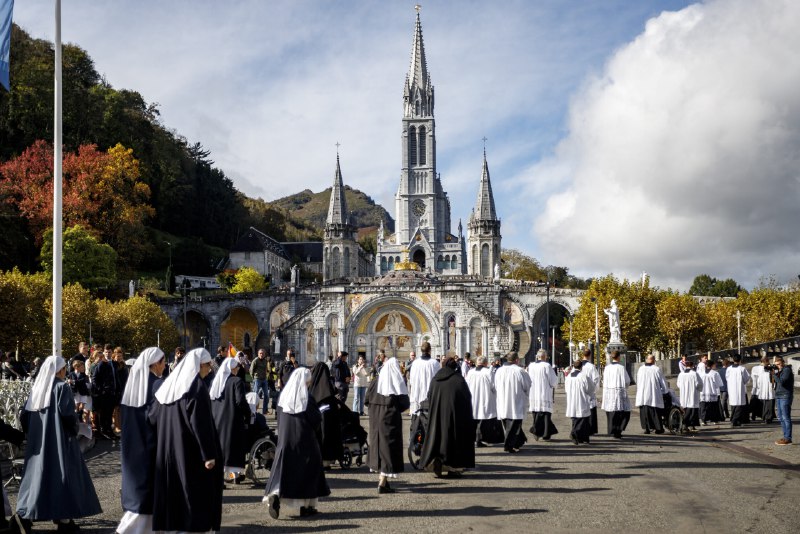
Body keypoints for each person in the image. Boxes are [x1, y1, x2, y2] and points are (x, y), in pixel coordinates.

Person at [11, 356, 102, 534]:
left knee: (38, 479)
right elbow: (68, 416)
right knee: (63, 478)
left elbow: (25, 417)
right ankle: (64, 519)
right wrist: (78, 427)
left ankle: (25, 516)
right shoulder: (62, 387)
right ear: (60, 370)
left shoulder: (37, 388)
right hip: (60, 441)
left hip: (38, 444)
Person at [148, 348, 222, 533]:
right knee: (191, 494)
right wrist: (209, 455)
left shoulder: (169, 384)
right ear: (199, 366)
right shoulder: (196, 386)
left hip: (167, 449)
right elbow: (201, 423)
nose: (209, 370)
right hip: (189, 450)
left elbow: (153, 417)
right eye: (208, 366)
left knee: (173, 492)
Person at [264, 368, 330, 519]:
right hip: (305, 440)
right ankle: (306, 506)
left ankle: (275, 494)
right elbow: (316, 420)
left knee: (285, 469)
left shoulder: (283, 396)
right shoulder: (307, 397)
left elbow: (279, 418)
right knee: (308, 471)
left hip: (286, 439)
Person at [116, 347, 165, 534]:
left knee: (138, 485)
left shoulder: (133, 384)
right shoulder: (157, 384)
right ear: (155, 364)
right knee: (148, 488)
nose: (164, 366)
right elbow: (157, 417)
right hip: (151, 442)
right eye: (162, 362)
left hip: (132, 442)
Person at [419, 357, 475, 477]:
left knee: (438, 439)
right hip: (453, 415)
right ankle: (452, 468)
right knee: (452, 441)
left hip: (437, 416)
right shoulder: (458, 379)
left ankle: (438, 460)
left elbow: (429, 396)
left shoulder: (435, 380)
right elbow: (466, 397)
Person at [366, 357, 410, 493]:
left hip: (375, 419)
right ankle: (382, 483)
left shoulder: (375, 382)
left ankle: (383, 479)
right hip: (390, 420)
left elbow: (366, 400)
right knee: (388, 449)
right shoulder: (396, 381)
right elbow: (405, 403)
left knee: (379, 447)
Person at [210, 358, 251, 483]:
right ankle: (235, 474)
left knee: (222, 446)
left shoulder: (216, 382)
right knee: (234, 447)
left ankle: (221, 475)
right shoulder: (236, 381)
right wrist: (248, 413)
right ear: (232, 368)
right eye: (237, 368)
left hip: (218, 418)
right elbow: (240, 401)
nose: (238, 370)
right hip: (232, 418)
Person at [308, 362, 344, 468]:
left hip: (317, 416)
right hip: (330, 414)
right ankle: (329, 459)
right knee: (330, 435)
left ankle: (320, 458)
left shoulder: (313, 385)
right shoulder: (328, 385)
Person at [494, 352, 531, 453]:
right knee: (514, 425)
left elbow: (495, 385)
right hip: (516, 400)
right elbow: (527, 386)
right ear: (517, 360)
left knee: (509, 424)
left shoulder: (499, 371)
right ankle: (508, 445)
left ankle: (519, 441)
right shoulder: (520, 371)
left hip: (503, 400)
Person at [466, 356, 499, 447]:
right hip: (485, 397)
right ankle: (479, 439)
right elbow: (493, 386)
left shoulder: (470, 372)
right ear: (485, 363)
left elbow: (466, 385)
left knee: (475, 419)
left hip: (473, 398)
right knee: (482, 419)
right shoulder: (488, 372)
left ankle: (475, 439)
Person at [527, 349, 559, 441]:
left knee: (536, 413)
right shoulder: (546, 366)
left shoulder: (531, 366)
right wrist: (553, 385)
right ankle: (542, 432)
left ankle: (542, 431)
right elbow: (553, 380)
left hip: (534, 393)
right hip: (544, 393)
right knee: (545, 414)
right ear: (545, 357)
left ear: (537, 356)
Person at [408, 342, 441, 429]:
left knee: (417, 422)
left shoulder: (415, 363)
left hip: (417, 396)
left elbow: (411, 381)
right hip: (430, 398)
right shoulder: (435, 363)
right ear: (430, 350)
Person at [91, 344, 120, 440]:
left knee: (110, 413)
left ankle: (110, 431)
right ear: (103, 353)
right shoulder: (101, 364)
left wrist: (118, 390)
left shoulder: (115, 364)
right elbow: (94, 379)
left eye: (109, 352)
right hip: (104, 394)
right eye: (106, 352)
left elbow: (116, 378)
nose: (107, 354)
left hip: (113, 393)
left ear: (112, 353)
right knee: (105, 414)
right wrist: (101, 389)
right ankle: (105, 431)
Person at [602, 350, 631, 439]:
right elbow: (627, 381)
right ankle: (618, 431)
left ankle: (611, 430)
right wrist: (625, 387)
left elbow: (604, 380)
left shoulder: (607, 368)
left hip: (609, 393)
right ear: (619, 357)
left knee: (611, 412)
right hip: (619, 392)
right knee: (621, 412)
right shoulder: (621, 368)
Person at [635, 354, 667, 434]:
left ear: (646, 360)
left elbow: (638, 381)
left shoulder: (641, 369)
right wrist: (665, 390)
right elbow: (662, 381)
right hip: (653, 393)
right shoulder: (656, 369)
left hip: (643, 394)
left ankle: (647, 428)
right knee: (655, 411)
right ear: (653, 360)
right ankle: (658, 428)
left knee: (644, 411)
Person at [565, 360, 595, 445]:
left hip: (571, 400)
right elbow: (591, 388)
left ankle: (582, 437)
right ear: (581, 367)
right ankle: (574, 434)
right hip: (581, 399)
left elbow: (566, 389)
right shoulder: (584, 376)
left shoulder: (569, 376)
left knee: (575, 419)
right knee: (582, 419)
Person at [676, 360, 702, 433]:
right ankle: (691, 425)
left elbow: (678, 384)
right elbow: (699, 384)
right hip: (692, 394)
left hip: (684, 394)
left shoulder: (681, 374)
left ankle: (685, 424)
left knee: (685, 409)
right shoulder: (694, 374)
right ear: (692, 366)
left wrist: (683, 388)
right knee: (692, 410)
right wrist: (699, 389)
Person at [579, 348, 600, 435]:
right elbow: (596, 378)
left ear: (582, 355)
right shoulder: (591, 366)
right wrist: (594, 389)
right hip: (589, 392)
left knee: (581, 409)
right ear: (590, 355)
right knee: (591, 410)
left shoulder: (577, 365)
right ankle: (591, 429)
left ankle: (582, 427)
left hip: (580, 391)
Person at [773, 356, 793, 446]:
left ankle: (788, 438)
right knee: (780, 417)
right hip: (779, 395)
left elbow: (782, 382)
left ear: (783, 363)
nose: (778, 366)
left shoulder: (786, 370)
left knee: (786, 417)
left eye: (779, 364)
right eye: (776, 365)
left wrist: (774, 374)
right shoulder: (779, 371)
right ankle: (785, 437)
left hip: (785, 395)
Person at [727, 354, 750, 427]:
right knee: (739, 406)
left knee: (734, 405)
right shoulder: (742, 369)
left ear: (733, 360)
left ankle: (737, 421)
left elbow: (727, 377)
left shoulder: (729, 368)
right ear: (740, 360)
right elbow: (746, 378)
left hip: (731, 388)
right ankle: (734, 420)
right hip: (739, 388)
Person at [699, 360, 724, 425]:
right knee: (713, 407)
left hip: (703, 392)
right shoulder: (715, 373)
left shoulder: (701, 373)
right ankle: (714, 420)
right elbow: (718, 384)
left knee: (704, 407)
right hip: (712, 392)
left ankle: (703, 420)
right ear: (712, 365)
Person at [753, 357, 775, 423]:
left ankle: (766, 417)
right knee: (768, 404)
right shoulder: (760, 368)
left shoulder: (757, 368)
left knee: (766, 403)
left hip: (765, 388)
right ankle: (768, 417)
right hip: (767, 388)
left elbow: (755, 378)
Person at [250, 348, 271, 415]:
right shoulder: (255, 361)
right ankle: (253, 410)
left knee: (266, 395)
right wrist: (254, 378)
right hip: (257, 379)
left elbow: (266, 369)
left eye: (263, 353)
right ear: (258, 354)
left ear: (264, 354)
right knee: (255, 395)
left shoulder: (265, 361)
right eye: (260, 353)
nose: (261, 355)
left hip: (264, 379)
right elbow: (251, 370)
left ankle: (265, 410)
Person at [750, 358, 765, 422]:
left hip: (755, 387)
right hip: (761, 388)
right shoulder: (764, 369)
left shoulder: (754, 368)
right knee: (760, 403)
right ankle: (761, 415)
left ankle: (753, 415)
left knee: (754, 403)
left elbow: (752, 376)